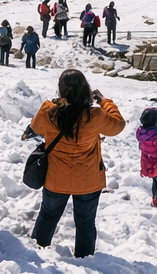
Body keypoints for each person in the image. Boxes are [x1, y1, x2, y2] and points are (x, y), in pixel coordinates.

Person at [27, 69, 125, 257]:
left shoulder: (49, 111)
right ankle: (85, 259)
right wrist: (105, 101)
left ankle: (38, 252)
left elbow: (36, 127)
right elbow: (118, 125)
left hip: (55, 179)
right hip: (88, 181)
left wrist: (59, 102)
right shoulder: (95, 116)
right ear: (86, 90)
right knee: (86, 223)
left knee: (48, 215)